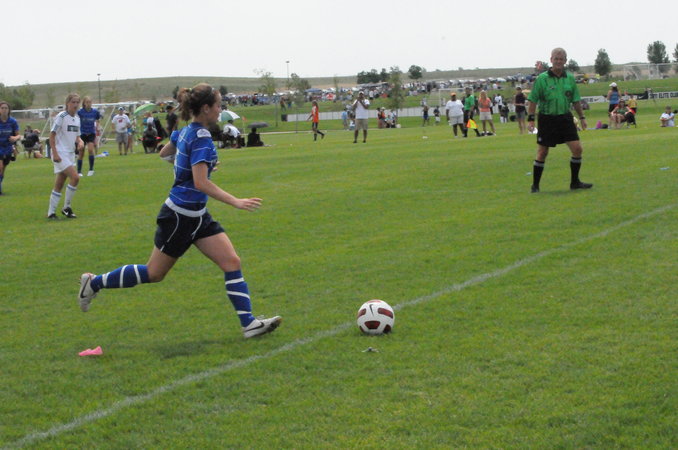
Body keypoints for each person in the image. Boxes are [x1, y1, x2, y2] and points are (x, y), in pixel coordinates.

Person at [77, 83, 282, 339]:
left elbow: (164, 154)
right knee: (154, 273)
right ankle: (93, 282)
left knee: (232, 262)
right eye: (218, 105)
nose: (220, 110)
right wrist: (235, 201)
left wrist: (191, 165)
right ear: (205, 108)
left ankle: (249, 324)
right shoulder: (202, 138)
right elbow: (201, 183)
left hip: (198, 216)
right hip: (179, 217)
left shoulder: (185, 131)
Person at [527, 47, 592, 193]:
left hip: (565, 118)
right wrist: (531, 119)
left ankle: (575, 182)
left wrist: (582, 117)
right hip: (547, 118)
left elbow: (576, 100)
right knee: (542, 152)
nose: (558, 61)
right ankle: (535, 186)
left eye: (561, 59)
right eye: (556, 59)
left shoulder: (569, 78)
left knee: (577, 149)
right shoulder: (542, 79)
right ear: (551, 60)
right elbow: (533, 100)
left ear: (565, 61)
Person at [47, 93, 84, 218]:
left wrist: (80, 142)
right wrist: (55, 153)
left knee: (59, 183)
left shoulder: (77, 118)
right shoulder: (62, 116)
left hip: (70, 154)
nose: (75, 104)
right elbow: (52, 135)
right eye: (73, 102)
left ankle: (51, 213)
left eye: (77, 102)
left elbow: (77, 136)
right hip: (60, 153)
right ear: (67, 103)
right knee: (75, 178)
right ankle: (66, 207)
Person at [77, 96, 102, 176]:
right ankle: (79, 171)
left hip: (91, 133)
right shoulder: (80, 112)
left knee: (91, 150)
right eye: (87, 102)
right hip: (82, 133)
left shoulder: (95, 112)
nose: (88, 104)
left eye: (90, 102)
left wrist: (98, 127)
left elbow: (98, 119)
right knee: (81, 152)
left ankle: (91, 169)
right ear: (84, 103)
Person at [0, 101, 21, 195]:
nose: (4, 110)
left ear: (9, 110)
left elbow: (18, 135)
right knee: (0, 167)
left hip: (7, 148)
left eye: (6, 108)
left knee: (3, 169)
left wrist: (14, 138)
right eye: (2, 108)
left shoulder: (12, 121)